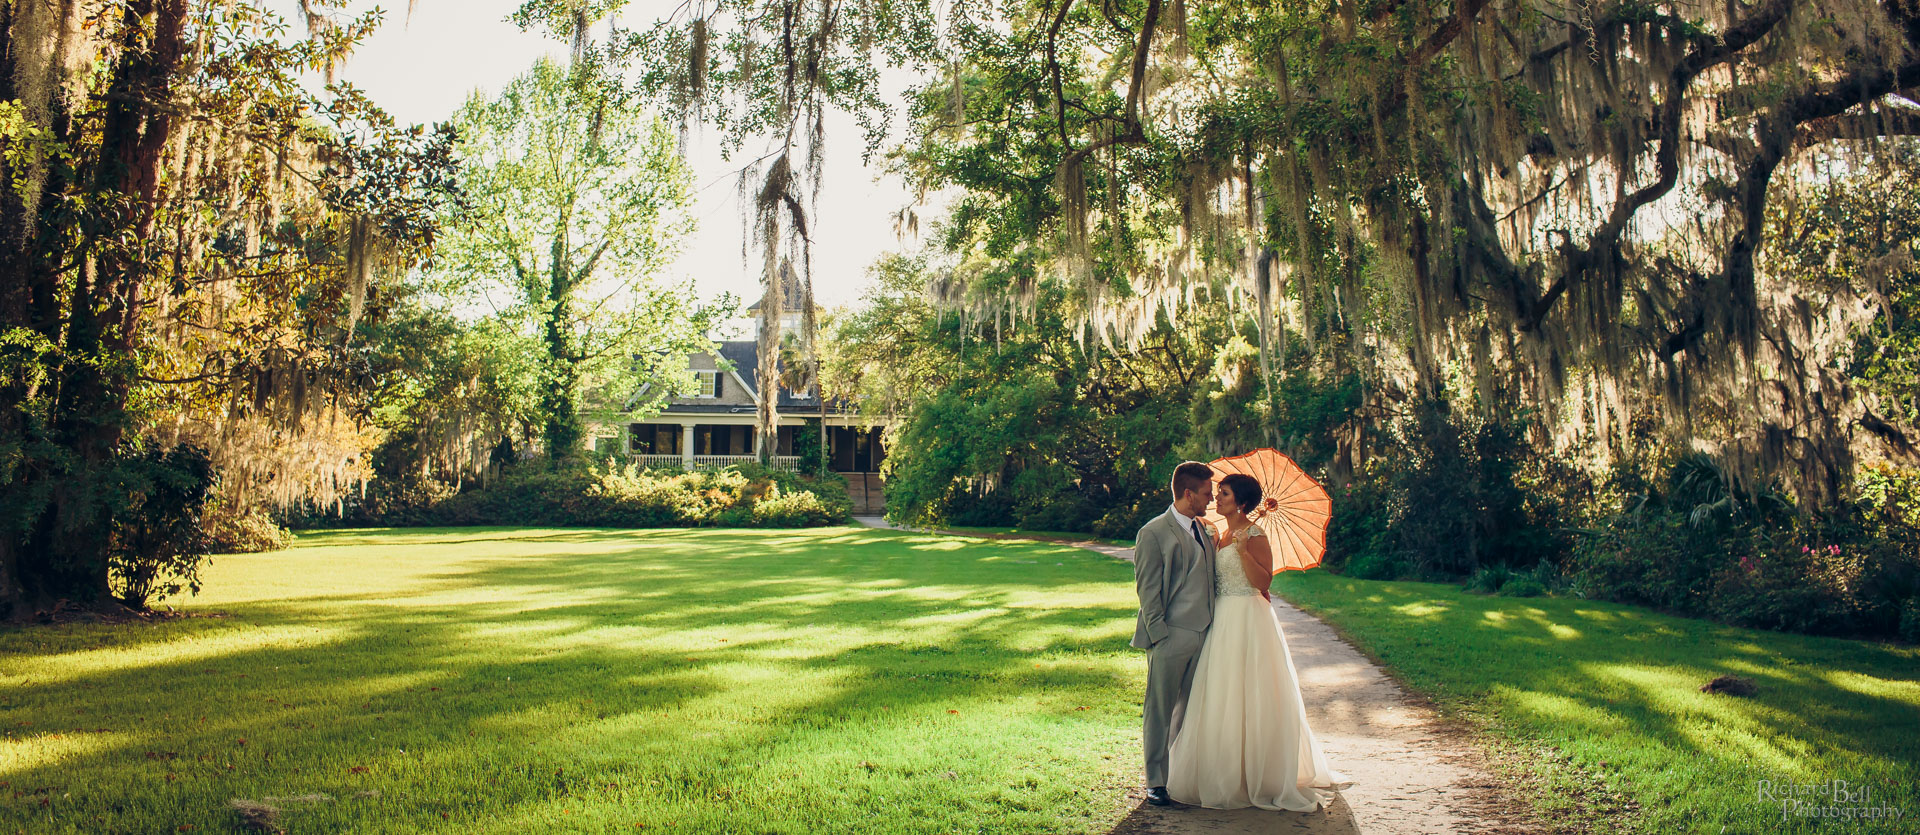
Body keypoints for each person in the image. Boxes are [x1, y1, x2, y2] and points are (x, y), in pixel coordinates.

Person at [1165, 472, 1346, 811]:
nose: (1218, 499)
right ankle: (1222, 769)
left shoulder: (1255, 534)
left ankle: (1258, 775)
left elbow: (1264, 581)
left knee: (1252, 692)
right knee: (1221, 692)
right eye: (1217, 493)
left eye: (1226, 494)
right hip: (1221, 619)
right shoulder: (1215, 533)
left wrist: (1245, 551)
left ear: (1243, 503)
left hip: (1249, 617)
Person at [1131, 461, 1219, 807]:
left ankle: (1180, 775)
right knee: (1160, 709)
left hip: (1206, 635)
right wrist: (1160, 635)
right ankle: (1156, 781)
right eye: (1206, 494)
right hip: (1171, 636)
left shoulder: (1206, 529)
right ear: (1188, 494)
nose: (1211, 500)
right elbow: (1147, 590)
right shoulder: (1153, 533)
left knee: (1192, 710)